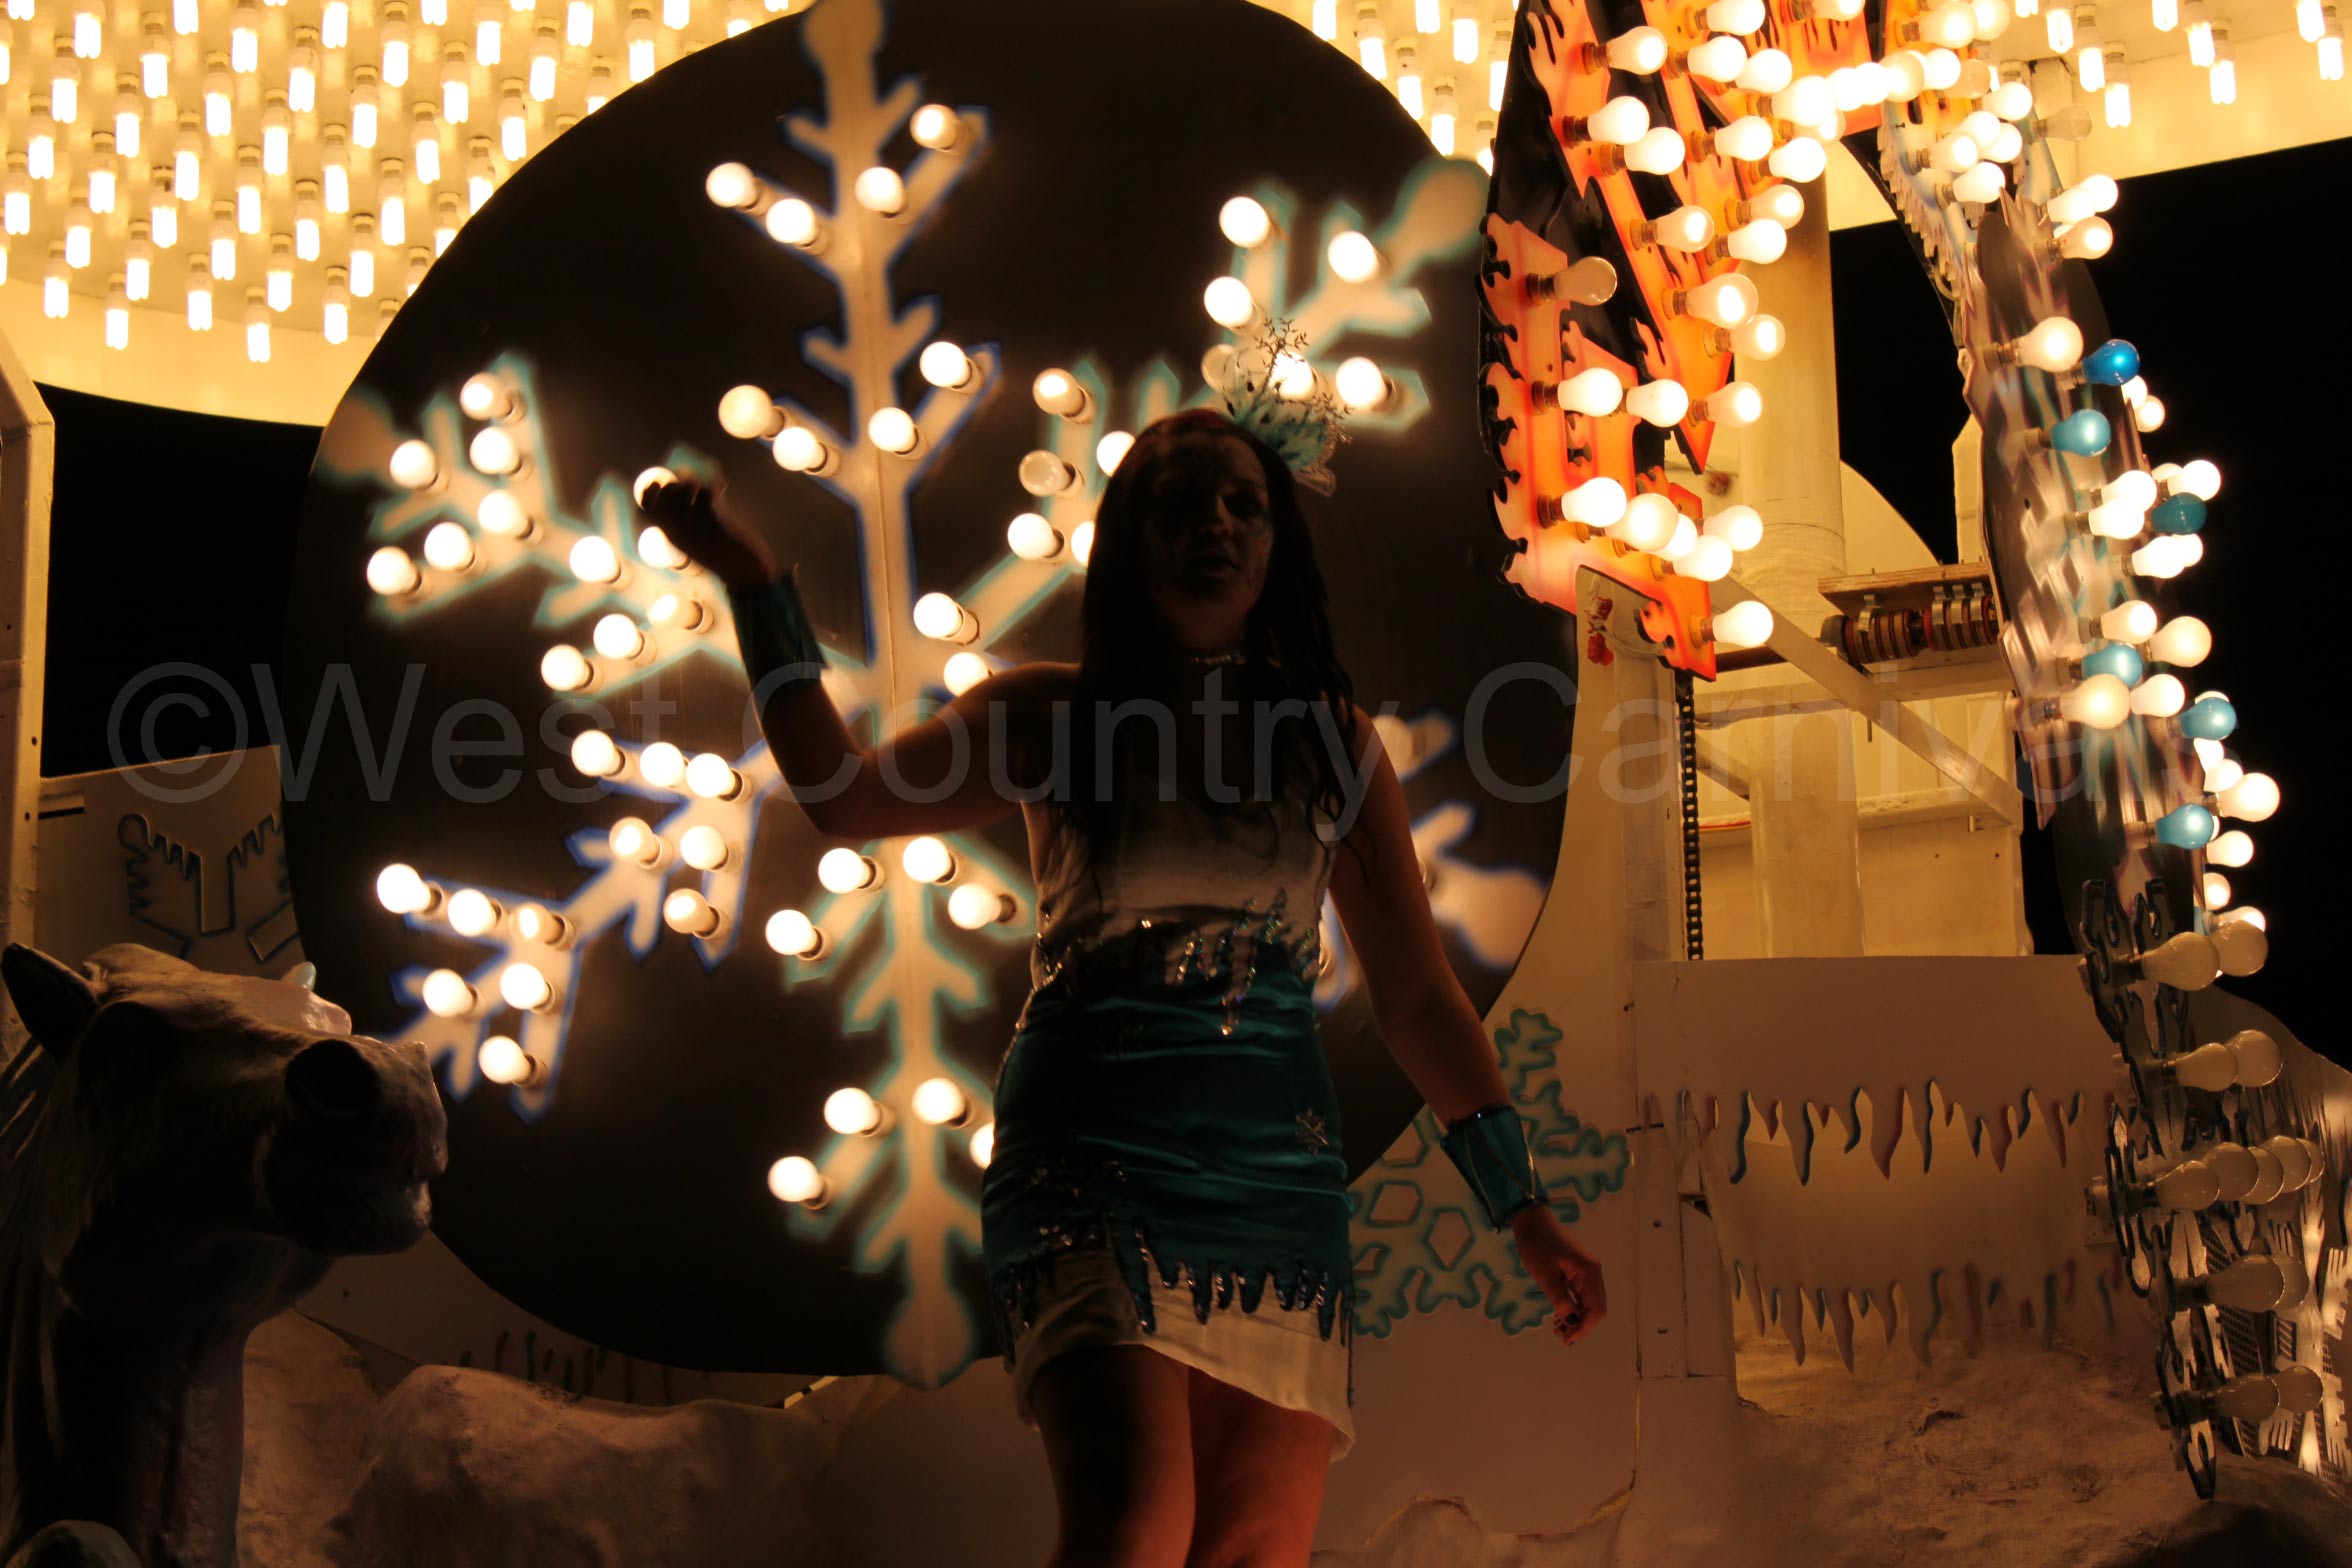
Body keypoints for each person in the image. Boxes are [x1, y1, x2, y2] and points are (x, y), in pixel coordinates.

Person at [639, 382, 1605, 1568]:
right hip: (1093, 1161)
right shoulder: (1050, 713)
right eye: (1179, 503)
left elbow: (1414, 995)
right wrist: (756, 587)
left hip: (1276, 1183)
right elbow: (844, 797)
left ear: (1276, 541)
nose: (1215, 525)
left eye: (1242, 504)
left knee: (1255, 1548)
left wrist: (1524, 1208)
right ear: (1129, 538)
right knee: (1134, 1528)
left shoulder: (1329, 739)